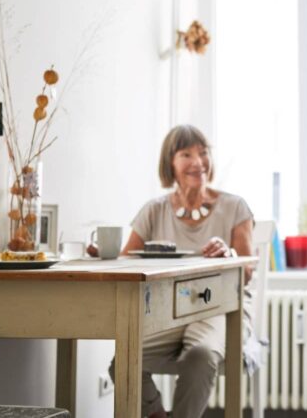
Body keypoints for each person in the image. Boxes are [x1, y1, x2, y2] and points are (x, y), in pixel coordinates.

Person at [105, 125, 257, 418]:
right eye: (187, 154)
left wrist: (230, 254)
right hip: (170, 311)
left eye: (203, 153)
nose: (198, 162)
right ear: (170, 163)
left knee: (200, 356)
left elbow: (248, 270)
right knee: (123, 362)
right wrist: (102, 255)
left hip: (224, 310)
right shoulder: (154, 210)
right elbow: (125, 263)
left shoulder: (235, 207)